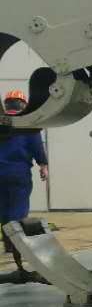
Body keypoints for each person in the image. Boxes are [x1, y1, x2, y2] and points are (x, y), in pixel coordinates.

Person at [0, 91, 48, 264]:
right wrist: (43, 165)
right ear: (23, 105)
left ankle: (8, 244)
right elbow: (37, 147)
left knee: (3, 209)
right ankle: (17, 247)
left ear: (7, 104)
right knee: (18, 209)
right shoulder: (27, 124)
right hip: (18, 173)